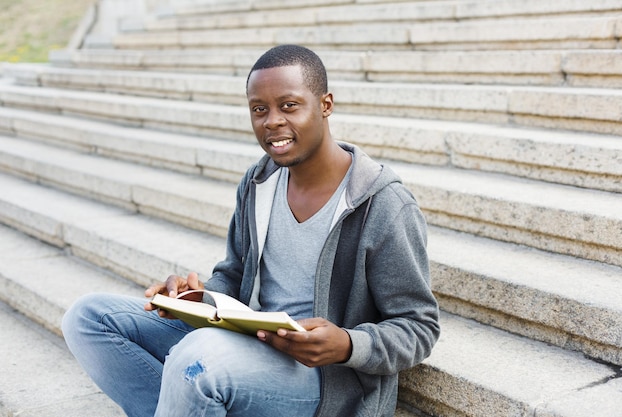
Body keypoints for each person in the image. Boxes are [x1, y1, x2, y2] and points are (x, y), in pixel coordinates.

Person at [62, 44, 440, 417]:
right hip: (244, 339)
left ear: (325, 105)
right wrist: (195, 299)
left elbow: (418, 325)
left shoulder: (382, 204)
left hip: (321, 376)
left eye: (288, 105)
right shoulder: (261, 181)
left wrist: (346, 344)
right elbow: (234, 274)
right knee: (87, 317)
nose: (272, 121)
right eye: (259, 109)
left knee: (196, 362)